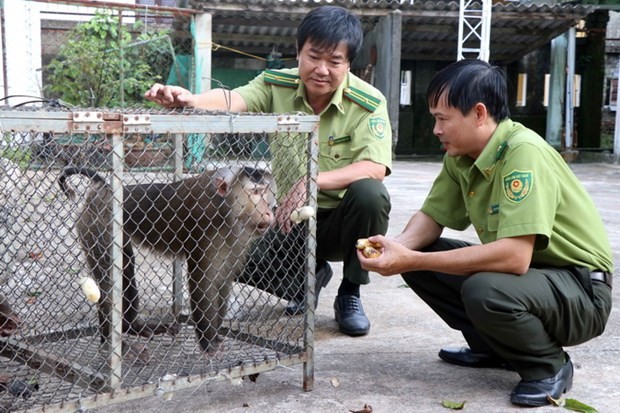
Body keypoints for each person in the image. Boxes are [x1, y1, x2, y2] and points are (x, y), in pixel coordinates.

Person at [357, 59, 613, 407]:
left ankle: (548, 366)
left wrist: (413, 258)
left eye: (442, 119)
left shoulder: (523, 153)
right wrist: (396, 250)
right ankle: (496, 348)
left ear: (479, 114)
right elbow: (432, 217)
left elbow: (514, 256)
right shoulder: (461, 154)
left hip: (581, 292)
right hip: (537, 281)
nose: (436, 129)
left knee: (484, 288)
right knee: (422, 264)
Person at [144, 6, 392, 337]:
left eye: (334, 61)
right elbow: (235, 98)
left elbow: (375, 167)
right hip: (290, 220)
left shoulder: (368, 101)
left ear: (348, 64)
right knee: (226, 256)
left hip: (342, 224)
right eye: (313, 56)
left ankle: (350, 291)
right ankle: (306, 277)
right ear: (298, 52)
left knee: (369, 195)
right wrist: (191, 99)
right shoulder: (277, 84)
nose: (321, 69)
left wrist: (311, 181)